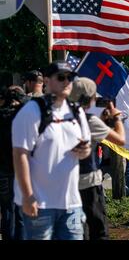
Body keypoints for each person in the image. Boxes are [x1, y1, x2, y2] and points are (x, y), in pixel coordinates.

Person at [12, 61, 91, 240]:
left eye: (70, 78)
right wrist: (28, 196)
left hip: (71, 203)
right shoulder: (31, 111)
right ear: (47, 81)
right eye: (61, 77)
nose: (66, 82)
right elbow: (19, 155)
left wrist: (84, 150)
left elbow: (85, 150)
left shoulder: (77, 112)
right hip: (40, 203)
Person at [68, 77, 126, 240]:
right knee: (98, 230)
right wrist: (116, 117)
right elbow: (120, 139)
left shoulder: (61, 117)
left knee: (77, 230)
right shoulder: (90, 121)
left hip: (66, 184)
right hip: (89, 182)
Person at [0, 86, 27, 240]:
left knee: (6, 210)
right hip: (20, 169)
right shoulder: (22, 116)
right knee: (21, 211)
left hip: (3, 169)